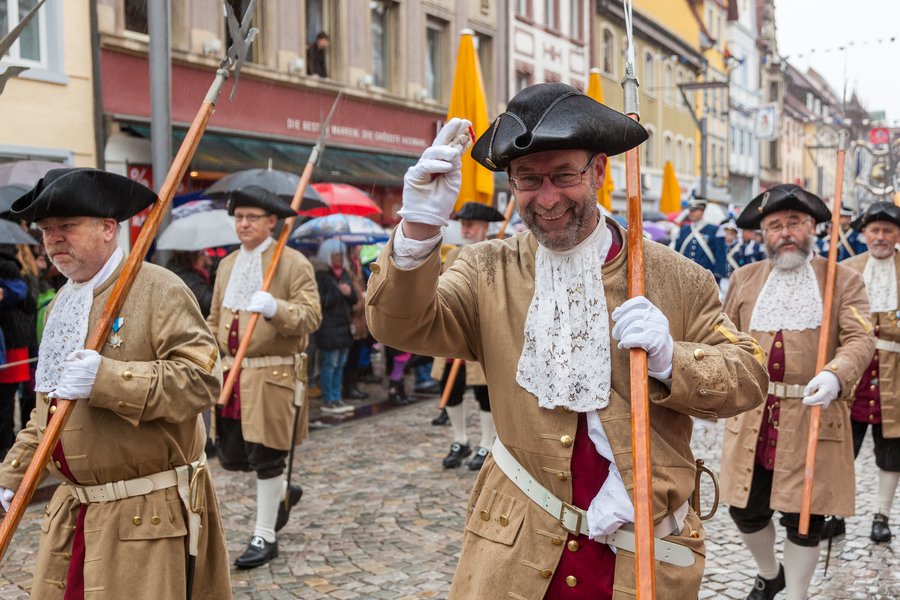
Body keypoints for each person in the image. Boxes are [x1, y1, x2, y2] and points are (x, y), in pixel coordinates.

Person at [365, 82, 768, 599]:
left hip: (640, 551)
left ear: (599, 171)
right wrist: (420, 229)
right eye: (528, 180)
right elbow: (397, 325)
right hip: (516, 547)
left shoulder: (677, 277)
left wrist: (674, 361)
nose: (547, 198)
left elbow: (748, 375)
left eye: (564, 175)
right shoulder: (487, 268)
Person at [0, 168, 232, 598]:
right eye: (46, 230)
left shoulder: (159, 288)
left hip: (143, 520)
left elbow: (202, 381)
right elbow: (44, 416)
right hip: (72, 518)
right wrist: (10, 477)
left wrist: (107, 379)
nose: (52, 240)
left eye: (66, 227)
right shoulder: (57, 309)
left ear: (109, 227)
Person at [720, 184, 875, 600]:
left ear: (812, 228)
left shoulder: (844, 280)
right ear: (763, 234)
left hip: (813, 413)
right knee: (744, 510)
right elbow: (721, 336)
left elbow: (861, 338)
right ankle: (771, 575)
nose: (785, 233)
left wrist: (836, 374)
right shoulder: (743, 279)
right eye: (775, 226)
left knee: (804, 516)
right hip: (754, 415)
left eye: (794, 223)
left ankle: (799, 593)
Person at [207, 189, 322, 568]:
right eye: (239, 217)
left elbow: (310, 317)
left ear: (272, 221)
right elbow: (214, 319)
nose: (244, 224)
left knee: (267, 458)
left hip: (273, 374)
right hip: (232, 374)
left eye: (252, 217)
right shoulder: (226, 264)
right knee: (234, 456)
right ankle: (282, 493)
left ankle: (265, 535)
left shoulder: (291, 262)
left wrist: (276, 309)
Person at [842, 202, 900, 543]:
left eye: (888, 230)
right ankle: (835, 513)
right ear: (864, 233)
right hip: (853, 376)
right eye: (875, 230)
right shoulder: (847, 269)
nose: (880, 237)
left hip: (896, 379)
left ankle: (881, 514)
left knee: (891, 452)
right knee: (841, 449)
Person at [430, 201, 502, 470]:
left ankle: (486, 442)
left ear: (484, 227)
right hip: (453, 332)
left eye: (470, 225)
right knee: (450, 388)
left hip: (483, 335)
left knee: (484, 392)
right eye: (463, 224)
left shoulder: (495, 253)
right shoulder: (452, 255)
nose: (466, 229)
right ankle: (460, 440)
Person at [313, 238, 357, 415]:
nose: (339, 257)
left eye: (341, 254)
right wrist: (339, 293)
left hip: (344, 325)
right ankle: (329, 399)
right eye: (335, 254)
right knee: (329, 364)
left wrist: (349, 293)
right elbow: (319, 302)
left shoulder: (345, 273)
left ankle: (337, 397)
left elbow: (353, 299)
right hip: (328, 327)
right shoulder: (322, 275)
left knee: (340, 364)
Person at [675, 197, 727, 282]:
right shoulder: (684, 230)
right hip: (684, 277)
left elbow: (720, 254)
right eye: (690, 210)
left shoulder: (714, 230)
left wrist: (717, 275)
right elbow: (677, 251)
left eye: (695, 210)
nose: (691, 213)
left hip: (705, 278)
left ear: (702, 211)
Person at [167, 249, 214, 318]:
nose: (205, 257)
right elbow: (206, 302)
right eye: (203, 253)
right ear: (193, 257)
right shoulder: (185, 276)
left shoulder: (184, 269)